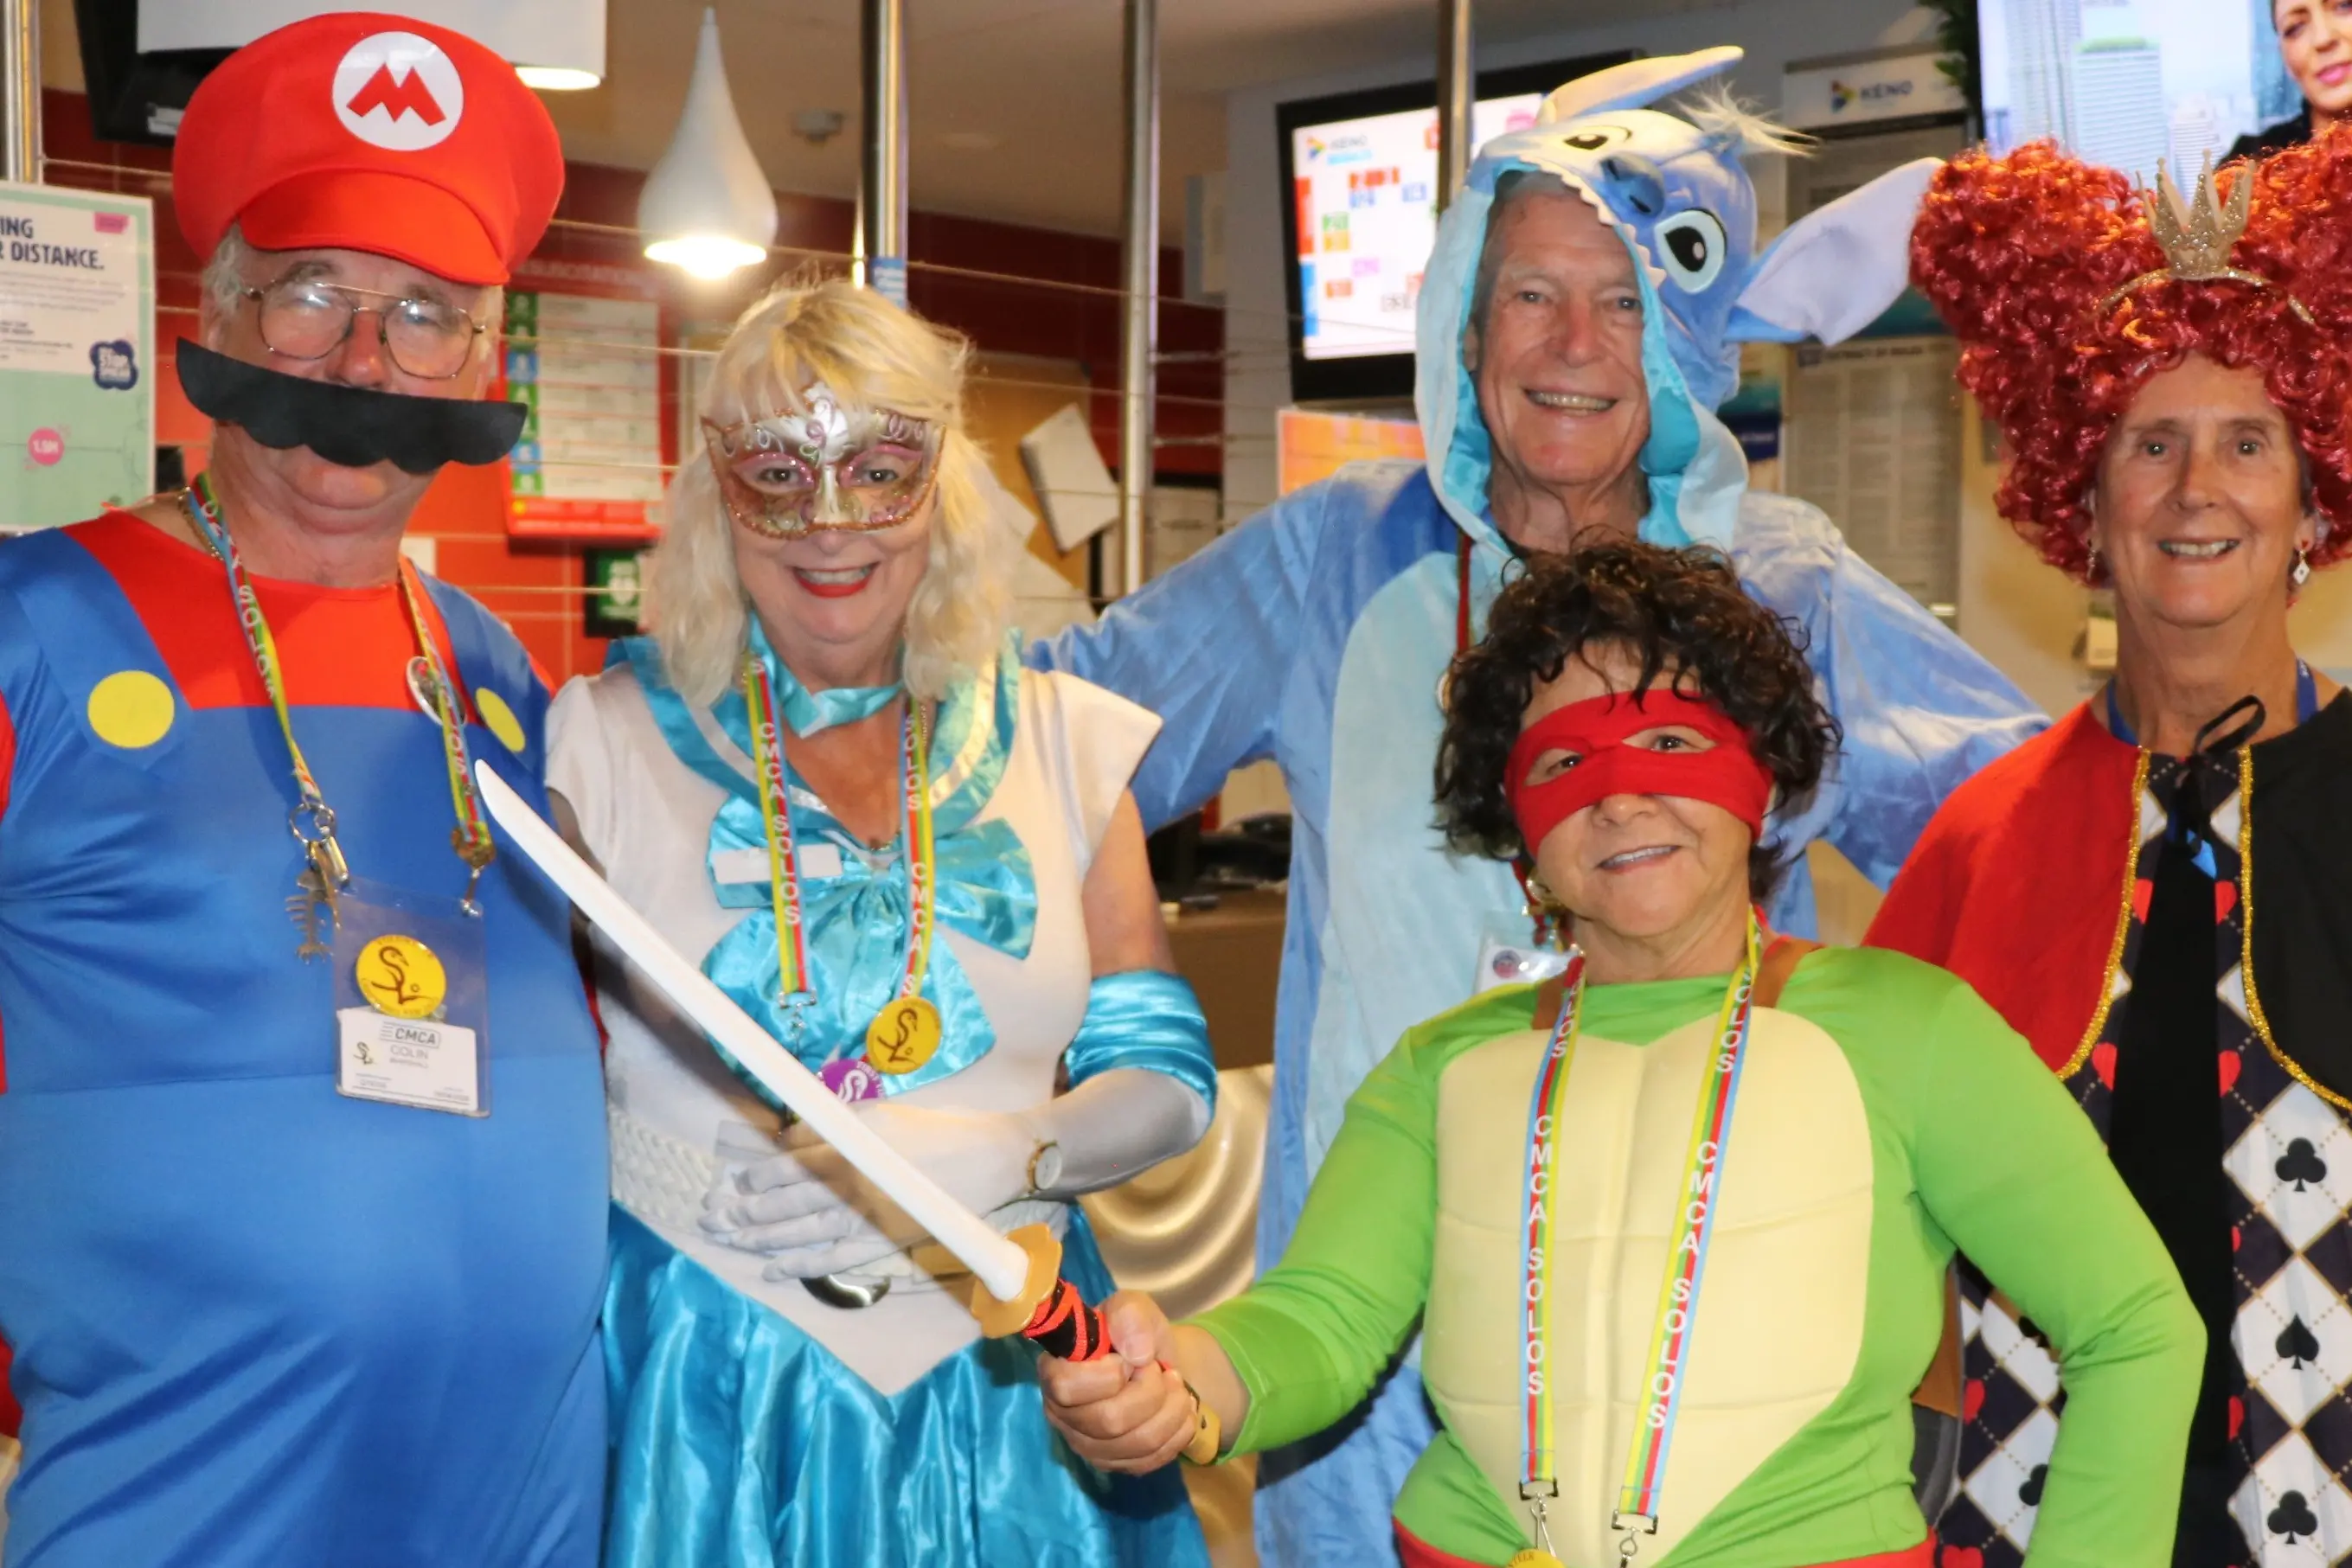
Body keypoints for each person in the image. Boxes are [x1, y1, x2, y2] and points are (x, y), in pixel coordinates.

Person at [1032, 45, 2047, 1562]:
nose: (1572, 341)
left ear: (1690, 337)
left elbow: (2026, 827)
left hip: (1708, 1333)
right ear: (1460, 315)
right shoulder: (1326, 565)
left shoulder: (1780, 588)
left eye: (1627, 297)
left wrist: (1902, 1122)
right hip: (1360, 1340)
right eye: (1527, 292)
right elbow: (1039, 737)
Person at [1036, 542, 2200, 1568]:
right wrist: (1178, 1374)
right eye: (1561, 765)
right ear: (1519, 842)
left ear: (1760, 775)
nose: (1621, 795)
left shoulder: (1911, 1031)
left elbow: (2136, 1323)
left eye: (1669, 740)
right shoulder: (1438, 1069)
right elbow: (1321, 1319)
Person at [0, 13, 605, 1566]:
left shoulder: (497, 673)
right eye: (314, 295)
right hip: (180, 1498)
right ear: (219, 308)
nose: (360, 362)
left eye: (424, 315)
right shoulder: (32, 634)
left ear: (480, 360)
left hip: (524, 1501)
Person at [547, 278, 1217, 1567]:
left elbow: (1168, 1079)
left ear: (945, 486)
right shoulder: (596, 746)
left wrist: (1009, 1151)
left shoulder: (1072, 746)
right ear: (713, 497)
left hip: (1009, 1371)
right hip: (708, 1381)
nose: (830, 523)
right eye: (777, 477)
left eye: (877, 466)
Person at [1873, 131, 2352, 1566]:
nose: (2194, 488)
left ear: (2310, 506)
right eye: (2148, 443)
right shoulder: (1976, 834)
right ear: (2081, 512)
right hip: (2039, 1503)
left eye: (2244, 442)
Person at [2227, 0, 2352, 161]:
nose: (2323, 39)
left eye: (2345, 6)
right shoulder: (2249, 164)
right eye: (2295, 27)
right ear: (2284, 58)